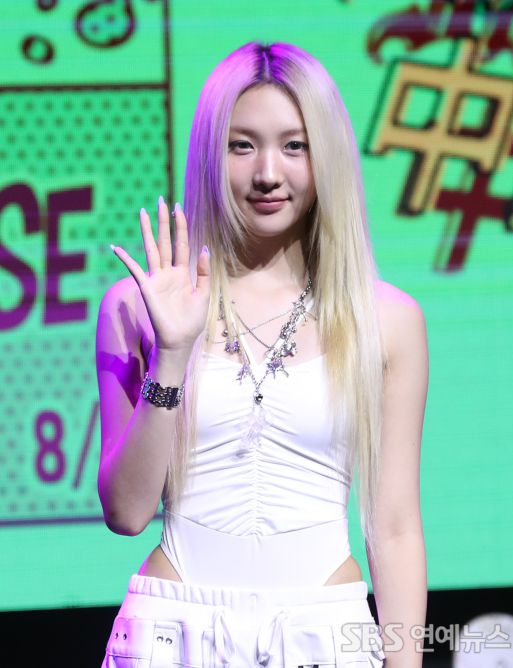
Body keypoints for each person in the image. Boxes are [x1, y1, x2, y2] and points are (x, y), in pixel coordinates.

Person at [96, 41, 428, 668]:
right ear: (209, 154)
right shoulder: (135, 306)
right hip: (174, 628)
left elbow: (395, 526)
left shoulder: (388, 320)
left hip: (323, 631)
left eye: (294, 146)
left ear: (326, 155)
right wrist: (172, 353)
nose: (268, 172)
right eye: (241, 145)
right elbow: (126, 512)